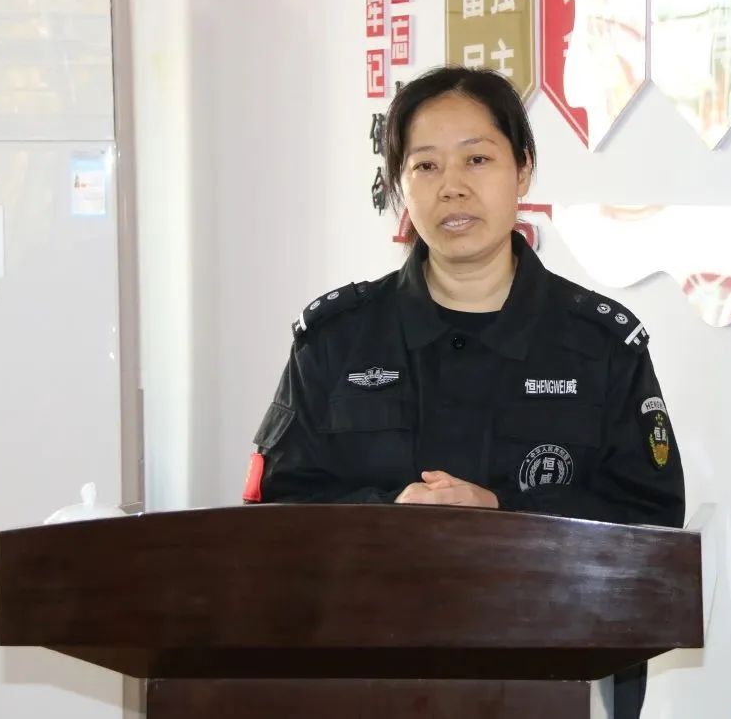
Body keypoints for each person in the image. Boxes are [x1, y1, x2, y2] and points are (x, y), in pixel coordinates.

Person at [242, 65, 685, 717]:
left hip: (551, 680)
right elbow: (274, 516)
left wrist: (503, 513)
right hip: (361, 684)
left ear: (523, 170)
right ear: (400, 185)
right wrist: (388, 513)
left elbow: (651, 527)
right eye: (425, 166)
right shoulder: (337, 340)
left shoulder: (599, 346)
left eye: (477, 159)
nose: (452, 186)